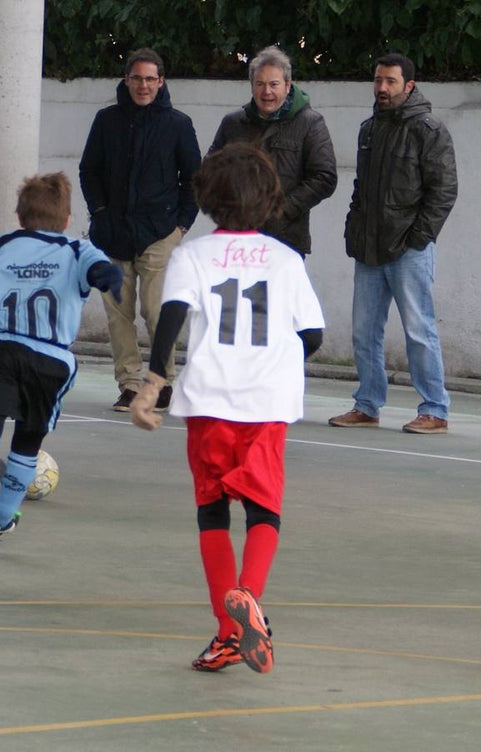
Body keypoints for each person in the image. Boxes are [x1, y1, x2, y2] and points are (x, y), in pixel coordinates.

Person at [130, 143, 325, 674]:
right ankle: (250, 601)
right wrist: (277, 360)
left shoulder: (191, 256)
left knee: (211, 511)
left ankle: (227, 632)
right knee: (264, 511)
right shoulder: (287, 261)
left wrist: (152, 383)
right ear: (269, 200)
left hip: (210, 399)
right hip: (267, 402)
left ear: (209, 199)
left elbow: (170, 318)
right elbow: (313, 334)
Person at [0, 172, 123, 541]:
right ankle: (3, 514)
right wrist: (109, 279)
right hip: (52, 360)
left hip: (4, 349)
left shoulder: (2, 244)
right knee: (29, 438)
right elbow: (101, 270)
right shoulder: (76, 249)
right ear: (67, 220)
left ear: (20, 217)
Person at [329, 53, 458, 435]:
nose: (382, 88)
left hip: (409, 251)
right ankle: (367, 404)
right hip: (368, 249)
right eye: (378, 80)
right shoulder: (369, 129)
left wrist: (418, 239)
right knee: (363, 331)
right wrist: (354, 229)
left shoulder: (429, 130)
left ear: (409, 86)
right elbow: (360, 187)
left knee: (419, 330)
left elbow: (444, 191)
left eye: (390, 81)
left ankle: (435, 409)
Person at [79, 48, 202, 413]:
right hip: (112, 234)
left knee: (155, 309)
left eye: (150, 79)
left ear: (161, 81)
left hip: (160, 232)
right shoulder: (106, 120)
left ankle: (161, 382)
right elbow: (90, 171)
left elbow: (194, 178)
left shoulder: (178, 124)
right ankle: (130, 384)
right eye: (137, 78)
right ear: (126, 80)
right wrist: (100, 213)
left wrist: (181, 225)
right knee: (119, 315)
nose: (143, 85)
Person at [208, 45, 337, 258]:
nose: (266, 92)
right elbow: (211, 169)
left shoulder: (310, 123)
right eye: (260, 84)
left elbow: (325, 178)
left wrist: (281, 210)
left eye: (273, 84)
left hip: (286, 240)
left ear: (287, 86)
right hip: (237, 240)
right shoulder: (232, 123)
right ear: (251, 86)